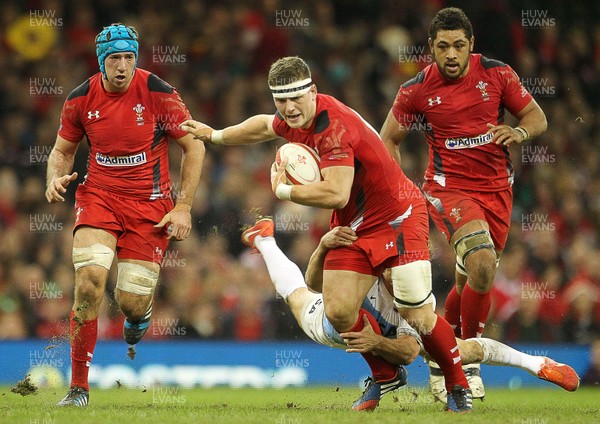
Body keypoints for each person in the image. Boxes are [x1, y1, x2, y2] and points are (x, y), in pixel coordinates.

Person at [181, 56, 473, 412]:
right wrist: (215, 135)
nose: (288, 108)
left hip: (398, 215)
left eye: (296, 99)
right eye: (281, 101)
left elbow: (336, 193)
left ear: (313, 92)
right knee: (337, 310)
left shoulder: (333, 127)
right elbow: (262, 126)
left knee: (417, 313)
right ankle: (385, 374)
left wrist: (284, 191)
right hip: (354, 224)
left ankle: (458, 384)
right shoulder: (293, 117)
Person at [380, 7, 548, 401]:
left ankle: (443, 352)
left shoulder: (497, 74)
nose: (451, 54)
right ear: (431, 49)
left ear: (471, 45)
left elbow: (537, 117)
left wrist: (518, 130)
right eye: (443, 47)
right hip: (447, 189)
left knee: (474, 279)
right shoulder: (416, 89)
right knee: (483, 264)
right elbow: (389, 139)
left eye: (458, 45)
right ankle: (467, 361)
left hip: (497, 192)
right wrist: (399, 190)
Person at [241, 217, 580, 410]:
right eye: (392, 265)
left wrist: (375, 341)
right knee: (299, 297)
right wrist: (323, 247)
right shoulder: (365, 266)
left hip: (382, 334)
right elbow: (317, 284)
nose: (393, 270)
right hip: (333, 322)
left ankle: (540, 364)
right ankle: (266, 239)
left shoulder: (412, 293)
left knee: (465, 348)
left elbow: (408, 352)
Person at [45, 23, 205, 406]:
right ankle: (79, 387)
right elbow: (62, 150)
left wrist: (182, 207)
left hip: (149, 206)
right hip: (98, 197)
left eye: (129, 57)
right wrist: (53, 175)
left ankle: (139, 313)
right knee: (89, 281)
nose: (122, 66)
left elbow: (193, 147)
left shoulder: (158, 93)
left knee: (130, 301)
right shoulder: (80, 98)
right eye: (114, 58)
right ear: (102, 61)